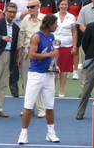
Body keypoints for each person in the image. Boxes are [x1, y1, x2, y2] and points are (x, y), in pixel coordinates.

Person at [17, 13, 59, 144]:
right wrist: (50, 54)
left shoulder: (52, 37)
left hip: (48, 75)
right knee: (28, 107)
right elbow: (32, 55)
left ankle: (51, 133)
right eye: (55, 24)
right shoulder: (36, 37)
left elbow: (51, 57)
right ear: (49, 24)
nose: (57, 26)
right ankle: (23, 134)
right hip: (35, 75)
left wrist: (55, 65)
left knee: (49, 106)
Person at [17, 0, 46, 118]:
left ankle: (41, 109)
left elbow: (47, 36)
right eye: (28, 7)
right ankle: (29, 109)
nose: (29, 9)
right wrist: (19, 55)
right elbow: (21, 36)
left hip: (39, 54)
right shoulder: (25, 19)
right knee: (26, 82)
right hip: (26, 52)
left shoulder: (44, 19)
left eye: (32, 7)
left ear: (38, 7)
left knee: (38, 81)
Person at [53, 0, 78, 98]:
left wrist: (74, 46)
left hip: (67, 46)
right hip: (54, 47)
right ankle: (52, 90)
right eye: (62, 5)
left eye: (65, 5)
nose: (64, 6)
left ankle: (61, 90)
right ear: (58, 6)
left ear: (68, 6)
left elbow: (75, 33)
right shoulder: (53, 17)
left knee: (64, 71)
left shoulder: (72, 17)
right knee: (54, 70)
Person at [9, 0, 29, 98]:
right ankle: (13, 86)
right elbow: (15, 16)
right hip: (17, 32)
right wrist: (29, 10)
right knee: (16, 59)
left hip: (30, 32)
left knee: (28, 60)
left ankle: (26, 87)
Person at [68, 0, 83, 80]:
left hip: (76, 27)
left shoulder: (79, 1)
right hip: (65, 28)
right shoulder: (63, 1)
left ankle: (75, 71)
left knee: (75, 49)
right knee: (65, 49)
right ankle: (65, 70)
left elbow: (81, 14)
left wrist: (73, 19)